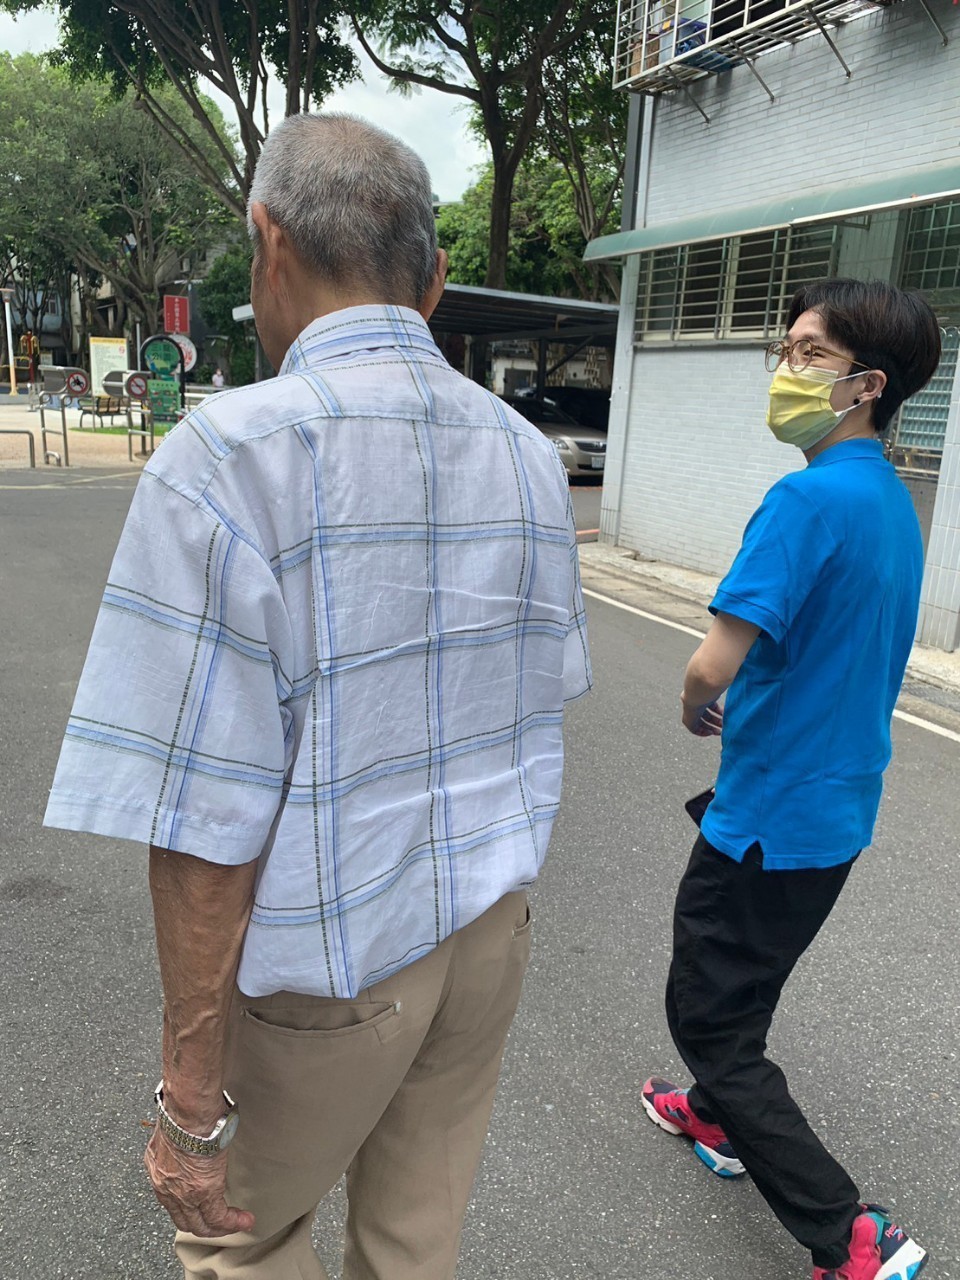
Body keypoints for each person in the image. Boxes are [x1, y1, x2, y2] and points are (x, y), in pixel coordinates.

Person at [44, 113, 591, 1280]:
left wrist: (191, 1091)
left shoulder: (230, 456)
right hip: (487, 934)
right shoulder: (525, 453)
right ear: (433, 279)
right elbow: (542, 687)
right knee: (412, 1241)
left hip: (331, 960)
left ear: (268, 240)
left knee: (238, 1236)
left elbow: (204, 812)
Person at [642, 278, 939, 1280]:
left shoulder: (805, 500)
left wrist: (694, 703)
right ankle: (714, 1115)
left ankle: (850, 1234)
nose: (787, 367)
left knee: (708, 1012)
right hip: (838, 809)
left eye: (810, 353)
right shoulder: (891, 503)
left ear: (867, 384)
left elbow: (711, 666)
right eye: (789, 347)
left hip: (766, 813)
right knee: (751, 977)